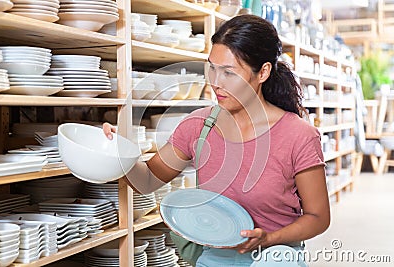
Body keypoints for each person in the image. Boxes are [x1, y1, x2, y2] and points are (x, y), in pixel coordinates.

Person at [103, 15, 330, 266]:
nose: (215, 83)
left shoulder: (299, 135)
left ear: (263, 72)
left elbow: (318, 217)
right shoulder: (199, 126)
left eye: (229, 73)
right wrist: (118, 151)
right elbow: (146, 181)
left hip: (275, 254)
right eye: (212, 68)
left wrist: (269, 238)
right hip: (215, 256)